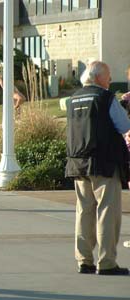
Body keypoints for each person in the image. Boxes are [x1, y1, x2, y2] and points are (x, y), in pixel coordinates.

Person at [65, 61, 130, 275]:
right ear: (98, 77)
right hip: (104, 162)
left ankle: (84, 260)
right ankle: (107, 262)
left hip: (78, 163)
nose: (110, 80)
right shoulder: (105, 97)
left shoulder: (73, 99)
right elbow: (124, 126)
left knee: (84, 210)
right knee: (107, 212)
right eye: (108, 76)